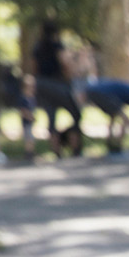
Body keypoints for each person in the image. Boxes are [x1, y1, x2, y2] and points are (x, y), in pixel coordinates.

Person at [31, 22, 84, 158]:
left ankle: (56, 150)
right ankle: (75, 147)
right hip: (57, 83)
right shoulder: (57, 46)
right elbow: (65, 63)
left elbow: (33, 67)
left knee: (51, 117)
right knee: (76, 114)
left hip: (41, 83)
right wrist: (69, 79)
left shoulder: (38, 47)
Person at [84, 78, 129, 157]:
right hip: (102, 93)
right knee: (125, 118)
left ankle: (110, 141)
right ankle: (119, 144)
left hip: (92, 91)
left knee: (113, 116)